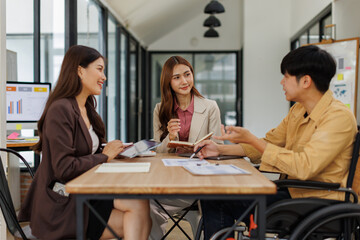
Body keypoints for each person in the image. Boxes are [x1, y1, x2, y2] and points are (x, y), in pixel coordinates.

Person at [194, 45, 358, 239]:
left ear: (305, 81)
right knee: (215, 193)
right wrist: (219, 150)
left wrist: (252, 140)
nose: (282, 82)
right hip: (294, 193)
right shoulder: (298, 110)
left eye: (286, 77)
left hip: (321, 200)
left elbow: (305, 167)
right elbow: (269, 143)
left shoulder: (338, 117)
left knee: (219, 197)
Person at [18, 45, 151, 240]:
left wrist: (117, 151)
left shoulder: (87, 109)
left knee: (140, 204)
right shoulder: (60, 109)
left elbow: (89, 151)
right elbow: (64, 167)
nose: (104, 77)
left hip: (85, 190)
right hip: (63, 199)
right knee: (136, 216)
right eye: (99, 69)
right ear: (80, 70)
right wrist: (105, 155)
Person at [151, 56, 223, 239]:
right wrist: (170, 137)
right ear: (168, 81)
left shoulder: (210, 107)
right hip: (169, 180)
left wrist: (205, 148)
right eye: (176, 77)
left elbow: (219, 148)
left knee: (150, 202)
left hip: (199, 180)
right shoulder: (160, 109)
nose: (184, 81)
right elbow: (158, 152)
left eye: (187, 74)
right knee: (147, 202)